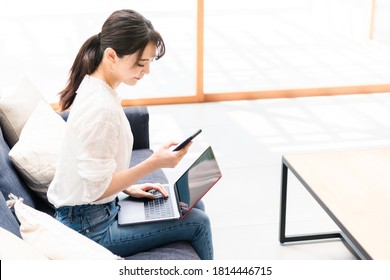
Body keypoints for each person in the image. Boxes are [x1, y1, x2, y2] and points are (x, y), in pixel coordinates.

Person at [47, 9, 213, 260]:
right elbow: (96, 191)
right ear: (111, 56)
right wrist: (154, 163)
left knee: (190, 204)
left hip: (92, 212)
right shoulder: (101, 110)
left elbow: (93, 175)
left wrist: (128, 188)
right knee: (198, 222)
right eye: (140, 63)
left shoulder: (96, 87)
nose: (145, 72)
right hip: (90, 227)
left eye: (148, 63)